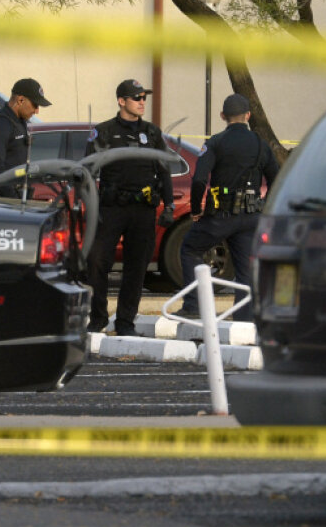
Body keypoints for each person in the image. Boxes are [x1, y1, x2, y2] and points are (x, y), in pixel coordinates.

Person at [176, 93, 279, 322]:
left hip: (220, 216)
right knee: (245, 269)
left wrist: (195, 209)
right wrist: (264, 205)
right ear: (248, 115)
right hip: (251, 216)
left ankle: (193, 305)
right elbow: (277, 178)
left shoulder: (215, 142)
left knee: (190, 249)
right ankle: (244, 318)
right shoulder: (262, 145)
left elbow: (200, 179)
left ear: (223, 116)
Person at [85, 79, 174, 337]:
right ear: (121, 101)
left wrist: (168, 204)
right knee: (98, 263)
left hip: (143, 210)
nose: (142, 102)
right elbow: (88, 171)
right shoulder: (102, 132)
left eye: (144, 98)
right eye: (137, 98)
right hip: (111, 208)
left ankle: (125, 321)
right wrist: (90, 205)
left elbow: (164, 169)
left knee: (136, 268)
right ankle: (98, 317)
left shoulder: (153, 133)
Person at [0, 78, 52, 198]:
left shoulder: (19, 122)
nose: (37, 111)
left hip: (18, 197)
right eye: (35, 104)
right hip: (3, 201)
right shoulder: (0, 124)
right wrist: (13, 197)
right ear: (20, 100)